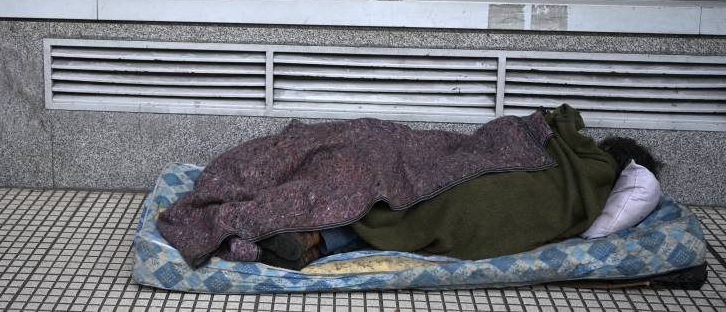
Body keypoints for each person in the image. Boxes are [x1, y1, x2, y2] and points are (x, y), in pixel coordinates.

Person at [158, 105, 660, 270]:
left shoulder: (566, 149)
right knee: (399, 205)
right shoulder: (587, 189)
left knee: (374, 171)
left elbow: (498, 138)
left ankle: (312, 234)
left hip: (453, 187)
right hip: (464, 207)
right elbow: (489, 147)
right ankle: (317, 240)